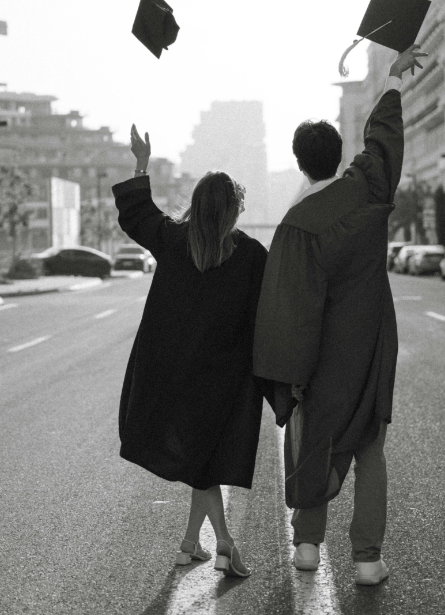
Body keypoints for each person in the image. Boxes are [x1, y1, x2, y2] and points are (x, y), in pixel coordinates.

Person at [253, 44, 427, 585]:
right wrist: (393, 81)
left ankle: (308, 547)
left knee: (317, 443)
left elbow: (291, 309)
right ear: (338, 152)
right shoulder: (368, 191)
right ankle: (368, 559)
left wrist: (292, 380)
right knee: (370, 448)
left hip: (323, 358)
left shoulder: (298, 223)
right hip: (373, 345)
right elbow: (383, 144)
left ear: (301, 161)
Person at [112, 125, 269, 578]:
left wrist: (142, 163)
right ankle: (223, 544)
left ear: (197, 205)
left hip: (171, 372)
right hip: (223, 379)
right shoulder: (251, 255)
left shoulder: (173, 241)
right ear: (235, 209)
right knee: (206, 463)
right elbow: (268, 315)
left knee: (204, 462)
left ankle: (189, 544)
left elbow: (138, 214)